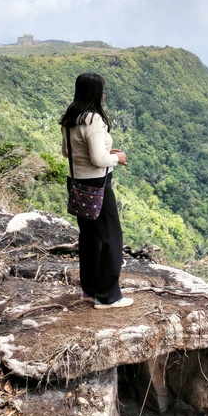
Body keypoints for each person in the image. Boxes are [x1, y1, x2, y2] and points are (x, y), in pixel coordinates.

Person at [60, 73, 133, 309]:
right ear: (95, 92)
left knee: (89, 237)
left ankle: (90, 290)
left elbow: (66, 152)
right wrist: (117, 158)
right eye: (102, 90)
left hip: (76, 182)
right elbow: (98, 160)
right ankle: (108, 296)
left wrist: (103, 152)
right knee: (111, 237)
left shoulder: (72, 116)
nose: (104, 94)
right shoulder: (93, 119)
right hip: (97, 185)